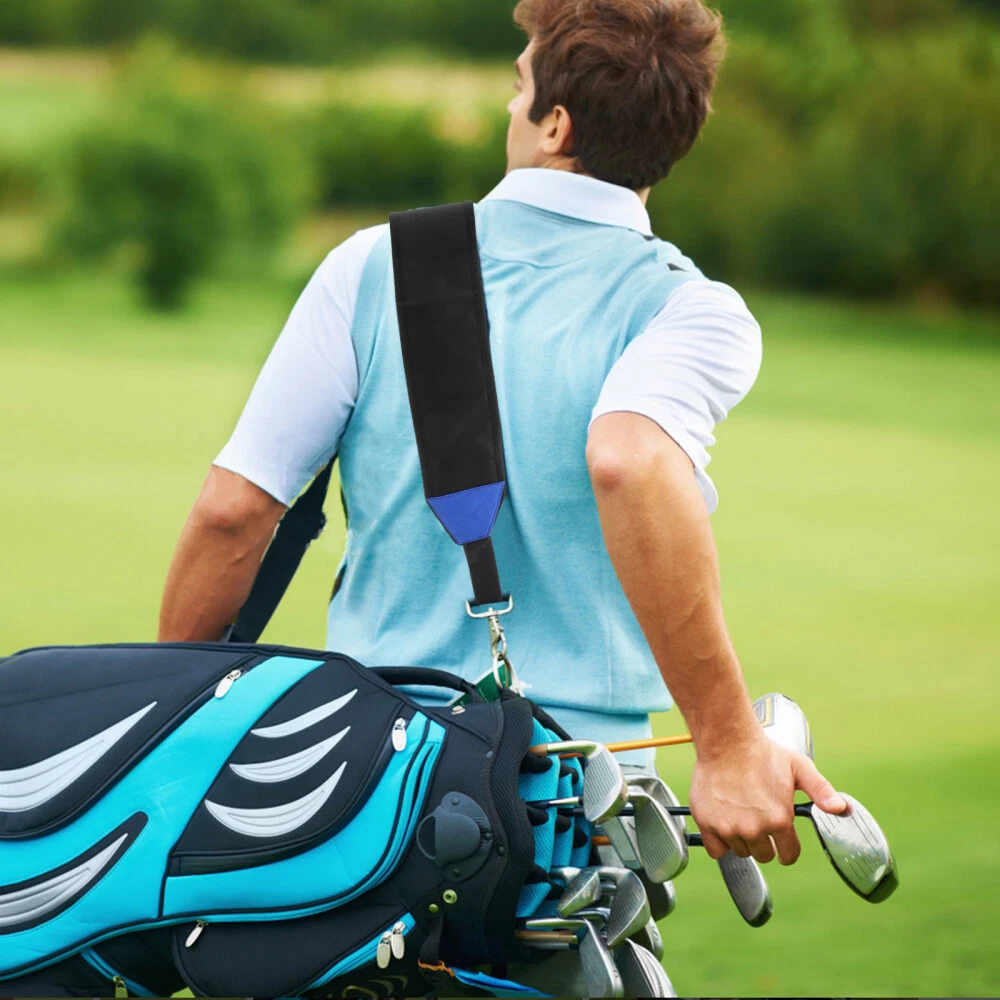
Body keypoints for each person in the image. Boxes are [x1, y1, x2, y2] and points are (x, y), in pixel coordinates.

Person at [154, 0, 846, 991]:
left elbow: (235, 513)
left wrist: (163, 736)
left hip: (361, 787)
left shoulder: (371, 264)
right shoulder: (693, 311)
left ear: (556, 125)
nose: (510, 103)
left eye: (520, 85)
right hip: (575, 816)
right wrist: (730, 741)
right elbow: (632, 457)